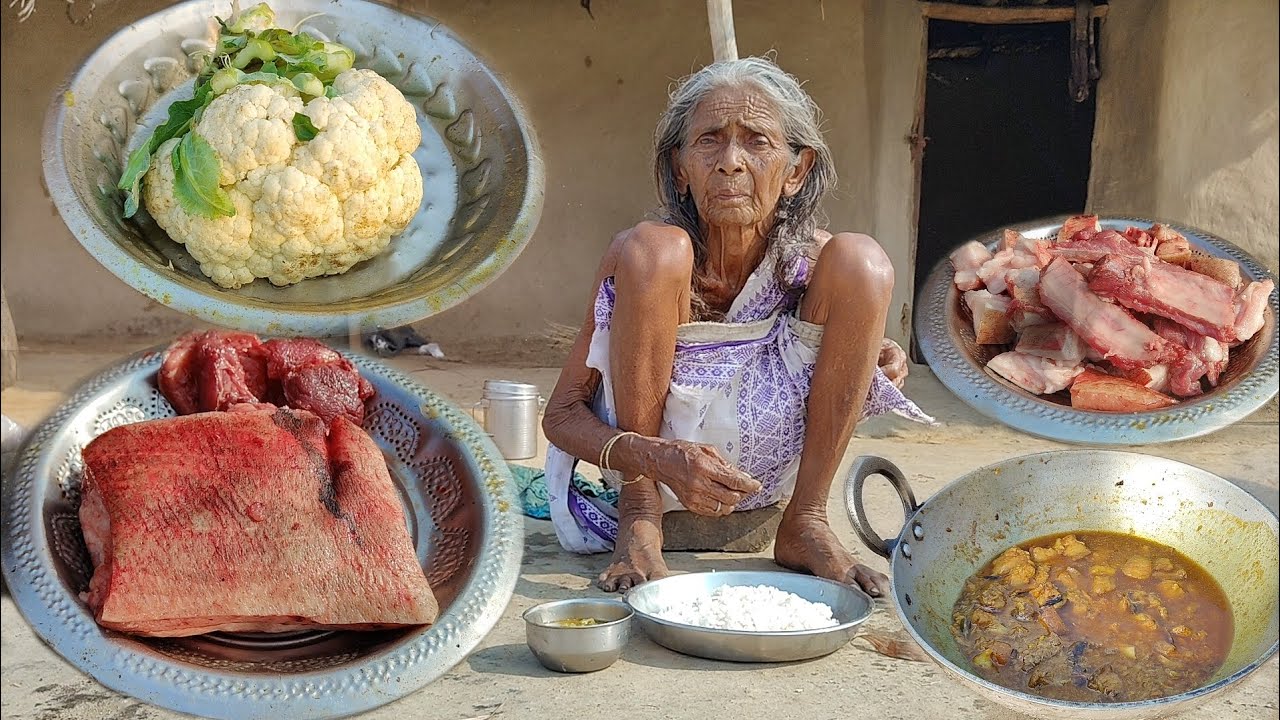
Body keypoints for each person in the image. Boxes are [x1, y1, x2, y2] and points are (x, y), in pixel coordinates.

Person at [541, 56, 932, 597]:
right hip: (649, 471)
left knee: (862, 260)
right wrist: (653, 458)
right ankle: (640, 512)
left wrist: (867, 350)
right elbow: (560, 417)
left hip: (767, 481)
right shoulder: (640, 258)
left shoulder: (818, 268)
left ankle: (807, 520)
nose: (730, 162)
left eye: (757, 142)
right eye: (708, 141)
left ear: (796, 171)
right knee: (656, 248)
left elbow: (842, 339)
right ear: (679, 167)